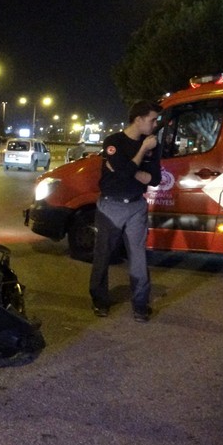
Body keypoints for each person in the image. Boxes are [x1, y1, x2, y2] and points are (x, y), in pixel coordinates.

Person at [89, 99, 162, 323]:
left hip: (136, 206)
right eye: (152, 120)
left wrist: (129, 169)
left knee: (138, 257)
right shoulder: (114, 141)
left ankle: (140, 306)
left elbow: (155, 179)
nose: (155, 125)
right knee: (103, 255)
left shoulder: (153, 145)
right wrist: (140, 155)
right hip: (110, 206)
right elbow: (123, 173)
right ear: (138, 119)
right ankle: (100, 300)